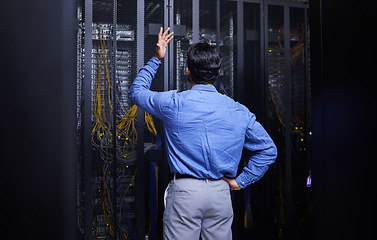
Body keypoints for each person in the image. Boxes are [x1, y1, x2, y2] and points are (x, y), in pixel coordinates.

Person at [128, 27, 277, 240]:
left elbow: (136, 92)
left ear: (188, 71)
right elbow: (268, 150)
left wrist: (157, 58)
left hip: (184, 193)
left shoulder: (173, 103)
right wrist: (240, 181)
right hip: (220, 192)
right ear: (217, 73)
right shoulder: (238, 110)